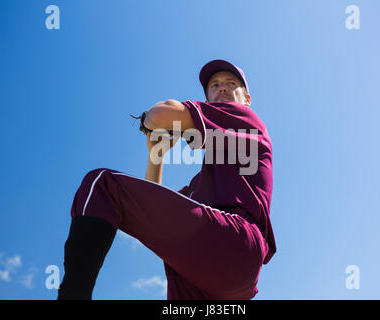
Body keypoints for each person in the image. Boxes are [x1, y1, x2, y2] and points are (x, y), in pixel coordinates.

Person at [57, 59, 276, 300]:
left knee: (102, 184)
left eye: (231, 83)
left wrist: (152, 121)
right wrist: (156, 155)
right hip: (218, 277)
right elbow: (152, 212)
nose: (222, 87)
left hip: (235, 241)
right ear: (207, 99)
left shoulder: (247, 121)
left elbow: (159, 115)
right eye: (214, 85)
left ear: (247, 99)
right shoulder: (201, 183)